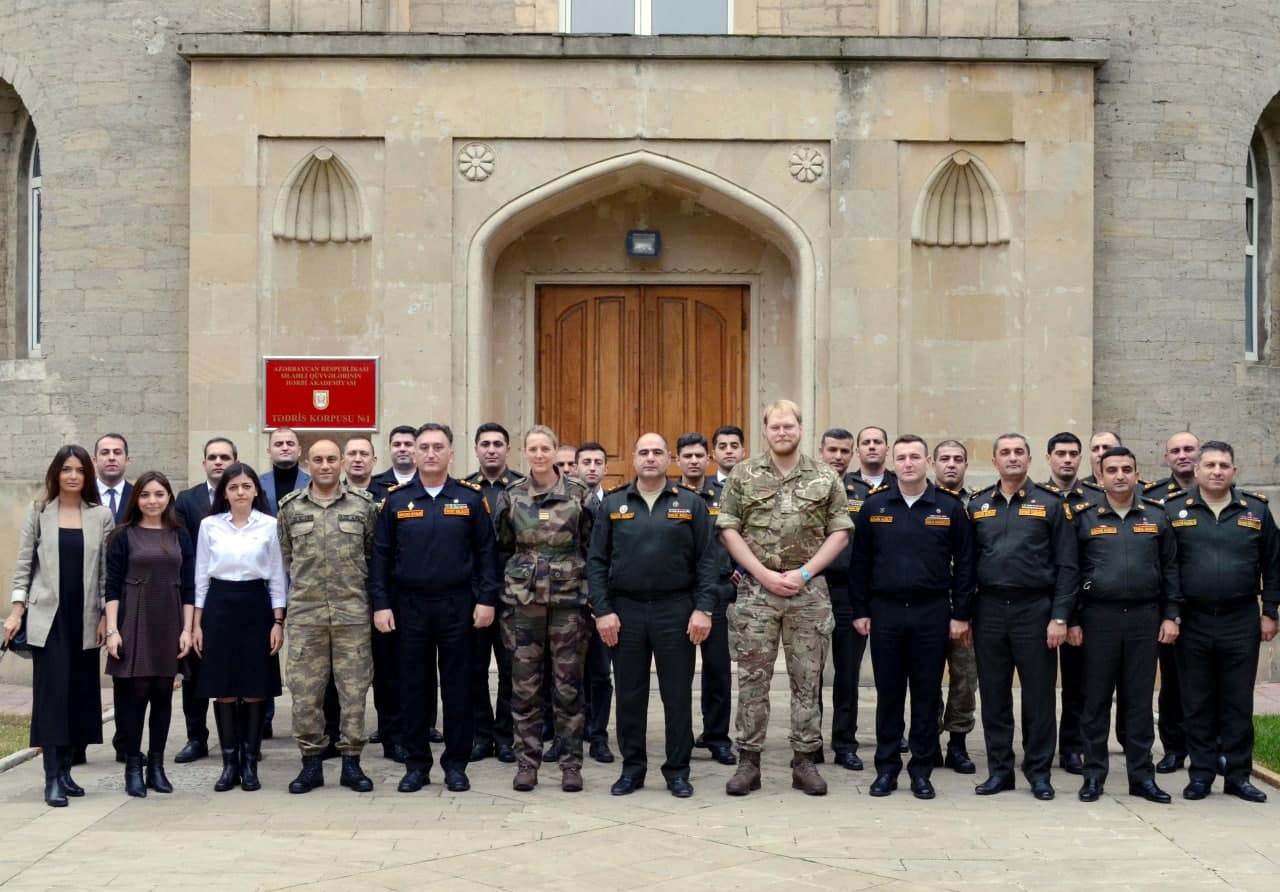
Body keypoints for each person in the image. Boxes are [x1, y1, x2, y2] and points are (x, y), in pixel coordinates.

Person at [718, 400, 851, 797]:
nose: (782, 432)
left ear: (800, 428)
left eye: (788, 426)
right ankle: (749, 762)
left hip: (808, 591)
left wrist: (804, 573)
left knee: (806, 681)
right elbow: (728, 529)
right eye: (775, 427)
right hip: (757, 591)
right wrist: (762, 575)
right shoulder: (743, 474)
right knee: (752, 679)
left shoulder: (825, 476)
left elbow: (840, 531)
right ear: (766, 430)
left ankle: (805, 761)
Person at [370, 423, 500, 794]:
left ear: (450, 454)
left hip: (458, 605)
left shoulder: (470, 498)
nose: (429, 453)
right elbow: (380, 557)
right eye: (423, 447)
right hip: (409, 606)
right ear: (414, 453)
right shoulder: (395, 500)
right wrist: (381, 605)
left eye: (437, 447)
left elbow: (486, 555)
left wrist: (486, 599)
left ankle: (456, 764)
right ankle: (416, 764)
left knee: (459, 687)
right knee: (413, 688)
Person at [588, 433, 717, 798]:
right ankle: (633, 769)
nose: (650, 458)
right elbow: (596, 562)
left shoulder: (690, 504)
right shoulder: (613, 504)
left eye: (657, 452)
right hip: (624, 611)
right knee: (630, 694)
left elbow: (707, 561)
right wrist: (603, 611)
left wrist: (703, 609)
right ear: (632, 458)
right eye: (643, 452)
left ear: (669, 458)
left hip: (675, 610)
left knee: (677, 695)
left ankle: (677, 770)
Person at [851, 435, 974, 800]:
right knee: (888, 695)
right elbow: (860, 564)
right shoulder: (874, 507)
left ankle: (922, 770)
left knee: (925, 694)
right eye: (902, 457)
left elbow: (966, 565)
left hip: (932, 613)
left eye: (915, 457)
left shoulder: (949, 509)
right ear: (894, 460)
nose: (908, 463)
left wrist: (961, 615)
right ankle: (886, 769)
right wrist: (860, 611)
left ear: (928, 463)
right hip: (885, 613)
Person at [966, 434, 1077, 801]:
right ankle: (1000, 771)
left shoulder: (1050, 504)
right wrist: (964, 615)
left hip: (1036, 611)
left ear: (1030, 460)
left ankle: (1039, 772)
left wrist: (1060, 617)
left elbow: (1067, 566)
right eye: (1005, 453)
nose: (1012, 458)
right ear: (994, 461)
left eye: (1018, 452)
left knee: (1039, 697)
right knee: (994, 696)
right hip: (990, 611)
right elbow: (966, 567)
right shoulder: (978, 505)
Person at [1167, 441, 1278, 803]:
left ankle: (1239, 776)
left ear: (1234, 471)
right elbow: (1165, 568)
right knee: (1196, 701)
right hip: (1193, 620)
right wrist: (1171, 614)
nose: (1217, 471)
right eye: (1210, 464)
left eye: (1224, 465)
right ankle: (1200, 774)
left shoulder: (1256, 510)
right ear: (1196, 470)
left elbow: (1274, 565)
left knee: (1236, 701)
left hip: (1240, 618)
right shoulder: (1173, 510)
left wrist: (1270, 612)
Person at [1069, 446, 1181, 804]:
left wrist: (1171, 615)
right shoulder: (1083, 518)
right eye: (1112, 469)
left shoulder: (1157, 516)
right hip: (1098, 619)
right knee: (1095, 702)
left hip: (1144, 619)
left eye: (1127, 469)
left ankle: (1141, 777)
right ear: (1099, 477)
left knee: (1137, 701)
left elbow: (1171, 570)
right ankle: (1094, 776)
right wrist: (1071, 619)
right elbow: (1070, 572)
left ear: (1137, 474)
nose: (1120, 475)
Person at [5, 446, 113, 807]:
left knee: (79, 696)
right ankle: (51, 778)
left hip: (84, 618)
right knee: (52, 698)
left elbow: (105, 575)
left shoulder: (101, 516)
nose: (72, 476)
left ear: (87, 475)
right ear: (56, 473)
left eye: (79, 470)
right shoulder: (39, 513)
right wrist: (16, 611)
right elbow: (23, 566)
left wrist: (104, 617)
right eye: (66, 469)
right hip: (47, 619)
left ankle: (67, 771)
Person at [279, 439, 379, 794]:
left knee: (353, 692)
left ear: (340, 463)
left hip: (352, 614)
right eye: (318, 459)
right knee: (305, 693)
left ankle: (352, 763)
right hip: (307, 616)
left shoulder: (364, 506)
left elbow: (371, 556)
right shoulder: (290, 508)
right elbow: (287, 559)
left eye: (331, 459)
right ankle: (310, 764)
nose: (325, 465)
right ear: (307, 463)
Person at [497, 425, 593, 793]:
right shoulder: (512, 496)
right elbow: (503, 547)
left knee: (568, 687)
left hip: (569, 604)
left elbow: (590, 545)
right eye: (533, 449)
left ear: (556, 452)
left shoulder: (580, 496)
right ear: (525, 453)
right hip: (523, 605)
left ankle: (570, 764)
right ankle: (527, 763)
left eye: (545, 448)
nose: (539, 455)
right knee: (525, 688)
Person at [192, 462, 287, 793]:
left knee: (254, 685)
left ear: (256, 490)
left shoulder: (270, 525)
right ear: (225, 493)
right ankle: (228, 764)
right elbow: (201, 576)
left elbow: (277, 576)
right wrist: (197, 624)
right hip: (219, 605)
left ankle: (249, 762)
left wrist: (278, 621)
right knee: (225, 686)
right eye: (233, 487)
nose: (240, 492)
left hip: (255, 606)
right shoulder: (209, 526)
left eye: (246, 486)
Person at [104, 471, 195, 797]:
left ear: (168, 497)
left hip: (168, 618)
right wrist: (112, 630)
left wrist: (187, 630)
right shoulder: (122, 536)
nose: (152, 500)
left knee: (162, 694)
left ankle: (156, 766)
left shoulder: (180, 535)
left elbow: (189, 587)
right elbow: (111, 586)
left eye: (159, 494)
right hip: (133, 618)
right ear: (136, 499)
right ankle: (132, 766)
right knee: (134, 695)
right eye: (145, 495)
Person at [172, 436, 237, 764]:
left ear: (234, 461)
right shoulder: (187, 500)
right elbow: (184, 549)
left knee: (234, 668)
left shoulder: (246, 496)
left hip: (236, 597)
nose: (218, 462)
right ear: (204, 463)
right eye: (212, 457)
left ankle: (238, 739)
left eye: (225, 456)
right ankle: (196, 737)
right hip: (199, 596)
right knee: (194, 672)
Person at [463, 422, 524, 765]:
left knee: (510, 670)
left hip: (513, 593)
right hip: (472, 594)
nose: (491, 449)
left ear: (507, 449)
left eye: (497, 444)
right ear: (476, 449)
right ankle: (479, 735)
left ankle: (505, 736)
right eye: (484, 443)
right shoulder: (465, 491)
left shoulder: (521, 489)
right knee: (473, 668)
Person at [677, 432, 736, 766]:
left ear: (708, 458)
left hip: (716, 590)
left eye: (700, 455)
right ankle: (681, 737)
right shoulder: (671, 496)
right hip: (679, 593)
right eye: (688, 455)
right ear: (678, 460)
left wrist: (739, 569)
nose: (694, 460)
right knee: (678, 671)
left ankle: (717, 737)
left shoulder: (724, 496)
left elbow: (743, 533)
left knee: (717, 669)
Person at [365, 424, 424, 757]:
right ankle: (390, 730)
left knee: (420, 667)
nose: (403, 449)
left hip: (422, 594)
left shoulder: (435, 487)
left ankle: (422, 723)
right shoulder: (379, 489)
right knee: (388, 670)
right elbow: (380, 550)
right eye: (397, 444)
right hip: (388, 592)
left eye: (409, 444)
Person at [1146, 431, 1200, 774]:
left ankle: (1213, 747)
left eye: (1189, 449)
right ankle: (1174, 749)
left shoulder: (1217, 492)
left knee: (1211, 683)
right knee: (1173, 682)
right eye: (1175, 451)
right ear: (1166, 458)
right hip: (1169, 607)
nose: (1183, 455)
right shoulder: (1154, 500)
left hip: (1209, 604)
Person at [816, 427, 868, 771]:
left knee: (847, 674)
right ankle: (809, 742)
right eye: (832, 450)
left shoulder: (863, 493)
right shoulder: (805, 489)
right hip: (813, 590)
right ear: (821, 451)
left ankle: (845, 743)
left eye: (844, 451)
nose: (838, 456)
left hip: (850, 592)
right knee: (808, 674)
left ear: (852, 455)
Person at [1042, 431, 1088, 775]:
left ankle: (1073, 747)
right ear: (1048, 458)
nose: (1067, 459)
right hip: (1044, 602)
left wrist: (1073, 616)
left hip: (1086, 604)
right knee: (1041, 682)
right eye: (1061, 453)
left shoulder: (1096, 499)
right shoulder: (1038, 498)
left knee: (1078, 682)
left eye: (1073, 453)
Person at [931, 439, 978, 775]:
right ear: (933, 463)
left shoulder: (979, 504)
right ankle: (929, 740)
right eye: (944, 459)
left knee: (964, 677)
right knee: (926, 676)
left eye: (957, 459)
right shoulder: (923, 500)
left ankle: (958, 744)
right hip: (929, 603)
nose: (951, 464)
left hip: (967, 606)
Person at [576, 441, 615, 765]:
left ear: (605, 467)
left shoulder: (616, 503)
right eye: (585, 461)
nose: (591, 467)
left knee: (601, 673)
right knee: (568, 673)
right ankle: (569, 736)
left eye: (597, 462)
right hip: (571, 600)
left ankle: (599, 736)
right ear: (575, 467)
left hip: (605, 602)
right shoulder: (566, 502)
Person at [259, 427, 311, 513]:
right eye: (278, 444)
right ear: (269, 452)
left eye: (290, 443)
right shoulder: (257, 483)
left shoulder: (313, 484)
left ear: (299, 451)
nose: (285, 448)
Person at [94, 433, 132, 523]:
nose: (111, 458)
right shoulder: (83, 495)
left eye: (117, 452)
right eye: (105, 453)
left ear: (127, 460)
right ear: (95, 461)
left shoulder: (138, 496)